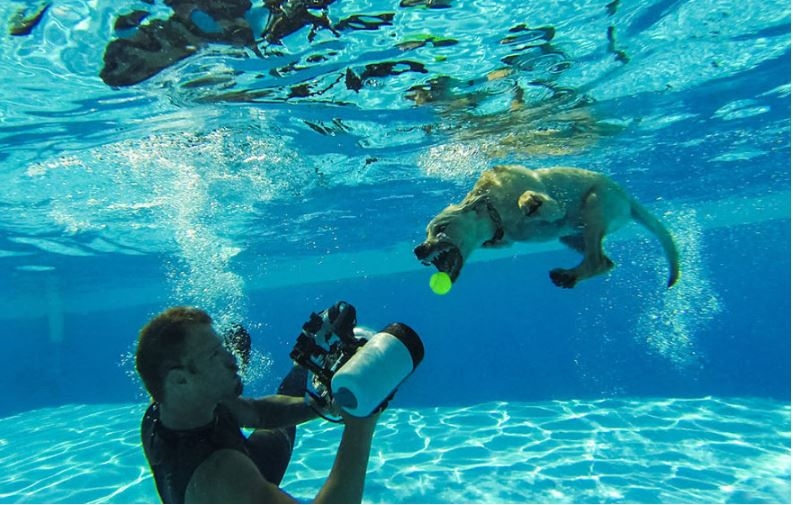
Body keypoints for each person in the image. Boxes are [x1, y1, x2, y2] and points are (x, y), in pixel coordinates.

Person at [135, 305, 380, 503]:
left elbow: (255, 412)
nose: (232, 360)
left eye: (224, 349)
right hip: (240, 486)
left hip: (240, 460)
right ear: (180, 379)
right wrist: (361, 422)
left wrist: (321, 407)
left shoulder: (174, 404)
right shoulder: (222, 475)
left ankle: (304, 366)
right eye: (215, 355)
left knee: (273, 421)